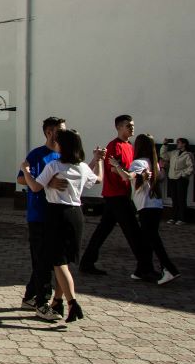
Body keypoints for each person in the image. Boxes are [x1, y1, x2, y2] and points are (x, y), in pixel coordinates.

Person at [21, 129, 104, 323]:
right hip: (76, 215)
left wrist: (26, 170)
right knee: (64, 261)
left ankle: (72, 303)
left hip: (57, 214)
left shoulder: (54, 165)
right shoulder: (81, 167)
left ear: (62, 146)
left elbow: (35, 187)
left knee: (58, 262)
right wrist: (98, 160)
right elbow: (98, 179)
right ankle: (57, 301)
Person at [79, 115, 156, 280]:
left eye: (132, 125)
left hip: (123, 194)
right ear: (119, 127)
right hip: (116, 195)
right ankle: (145, 269)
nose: (132, 128)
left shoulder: (130, 146)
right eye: (128, 126)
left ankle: (86, 262)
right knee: (133, 232)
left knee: (103, 230)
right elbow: (115, 170)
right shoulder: (114, 146)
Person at [112, 134, 179, 285]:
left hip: (146, 206)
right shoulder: (152, 162)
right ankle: (141, 269)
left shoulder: (138, 162)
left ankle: (169, 269)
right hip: (156, 205)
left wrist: (117, 166)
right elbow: (157, 177)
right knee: (147, 239)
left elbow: (129, 177)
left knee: (153, 240)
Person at [16, 117, 64, 314]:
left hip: (57, 214)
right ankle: (41, 303)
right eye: (60, 130)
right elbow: (21, 179)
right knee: (42, 261)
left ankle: (29, 297)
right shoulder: (37, 154)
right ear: (49, 132)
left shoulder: (64, 155)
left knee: (46, 260)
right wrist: (47, 182)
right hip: (39, 214)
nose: (64, 134)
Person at [162, 138, 195, 225]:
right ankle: (174, 217)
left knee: (181, 199)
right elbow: (163, 155)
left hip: (181, 179)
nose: (177, 144)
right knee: (174, 199)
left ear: (184, 144)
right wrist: (165, 145)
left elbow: (192, 168)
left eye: (179, 142)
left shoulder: (188, 154)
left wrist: (183, 174)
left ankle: (182, 218)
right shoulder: (174, 153)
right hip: (172, 178)